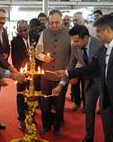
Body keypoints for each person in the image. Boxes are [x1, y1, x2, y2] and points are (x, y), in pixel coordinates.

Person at [55, 14, 113, 142]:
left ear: (108, 30)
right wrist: (67, 73)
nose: (96, 34)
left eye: (98, 31)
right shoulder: (104, 47)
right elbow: (91, 67)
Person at [52, 25, 113, 142]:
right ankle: (89, 137)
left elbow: (93, 68)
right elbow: (70, 66)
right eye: (72, 41)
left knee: (105, 112)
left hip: (103, 82)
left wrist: (69, 72)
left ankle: (108, 139)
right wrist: (60, 85)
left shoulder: (100, 45)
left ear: (86, 37)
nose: (74, 44)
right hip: (88, 82)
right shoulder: (75, 47)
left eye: (76, 41)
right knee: (88, 110)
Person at [35, 9, 71, 139]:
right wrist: (43, 57)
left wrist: (71, 74)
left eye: (57, 22)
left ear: (62, 21)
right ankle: (45, 125)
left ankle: (57, 127)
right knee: (44, 102)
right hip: (46, 75)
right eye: (52, 23)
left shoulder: (70, 34)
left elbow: (73, 57)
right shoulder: (44, 33)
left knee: (59, 103)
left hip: (61, 76)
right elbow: (37, 51)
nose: (54, 25)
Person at [11, 20, 40, 131]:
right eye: (20, 30)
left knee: (32, 95)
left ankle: (31, 115)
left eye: (25, 29)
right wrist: (22, 71)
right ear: (17, 30)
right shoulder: (14, 41)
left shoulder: (36, 37)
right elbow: (14, 60)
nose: (23, 32)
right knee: (20, 95)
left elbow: (40, 54)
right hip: (22, 74)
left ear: (29, 28)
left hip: (34, 73)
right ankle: (22, 119)